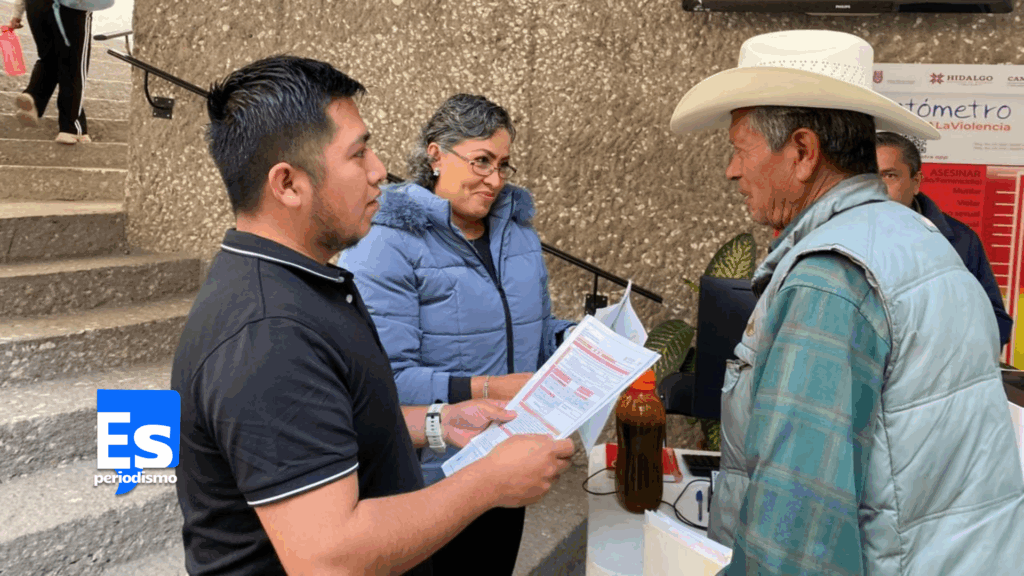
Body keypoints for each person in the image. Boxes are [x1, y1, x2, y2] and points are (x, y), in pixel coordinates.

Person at [171, 55, 575, 576]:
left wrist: (439, 421)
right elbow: (329, 557)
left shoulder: (306, 285)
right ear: (288, 184)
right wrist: (490, 481)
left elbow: (337, 421)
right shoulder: (270, 335)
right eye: (358, 153)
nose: (380, 170)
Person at [669, 30, 1024, 575]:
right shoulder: (919, 238)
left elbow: (796, 539)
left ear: (803, 152)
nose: (732, 170)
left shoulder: (829, 280)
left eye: (740, 149)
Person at [338, 93, 576, 575]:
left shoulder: (518, 235)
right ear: (435, 155)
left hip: (508, 461)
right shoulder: (386, 242)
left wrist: (574, 339)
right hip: (429, 481)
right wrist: (489, 388)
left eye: (503, 165)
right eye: (481, 161)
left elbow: (533, 331)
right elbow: (384, 378)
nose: (496, 180)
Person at [876, 131, 1013, 347]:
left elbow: (997, 325)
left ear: (916, 182)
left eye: (889, 175)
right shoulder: (835, 233)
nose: (876, 187)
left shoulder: (959, 240)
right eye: (867, 177)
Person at [8, 0, 93, 144]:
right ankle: (71, 129)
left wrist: (17, 13)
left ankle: (34, 98)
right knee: (74, 66)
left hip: (35, 6)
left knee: (49, 59)